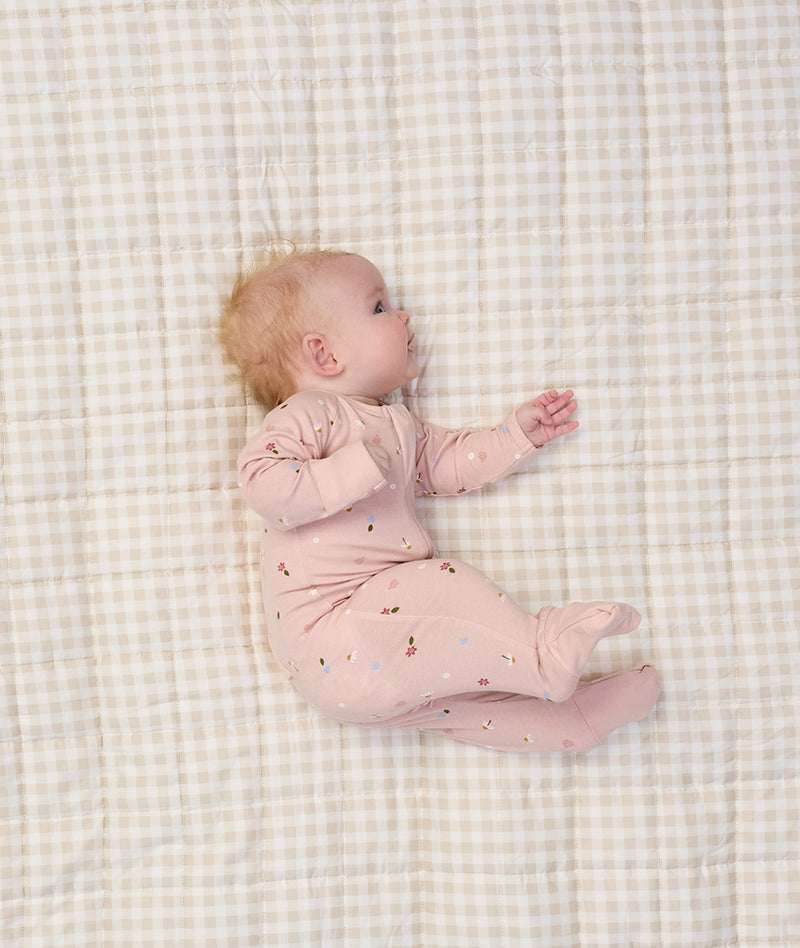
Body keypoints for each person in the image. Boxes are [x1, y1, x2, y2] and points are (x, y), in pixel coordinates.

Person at [221, 247, 661, 752]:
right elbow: (263, 482)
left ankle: (575, 721)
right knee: (442, 589)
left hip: (367, 658)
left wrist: (517, 435)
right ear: (325, 355)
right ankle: (539, 651)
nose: (403, 316)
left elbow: (448, 465)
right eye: (379, 308)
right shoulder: (310, 412)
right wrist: (352, 468)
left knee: (466, 706)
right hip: (337, 631)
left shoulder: (395, 422)